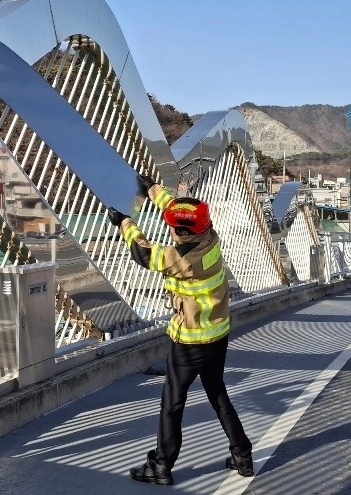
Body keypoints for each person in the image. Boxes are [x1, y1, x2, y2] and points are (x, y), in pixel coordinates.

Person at [106, 174, 253, 484]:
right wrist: (152, 190)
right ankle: (242, 454)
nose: (171, 227)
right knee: (217, 394)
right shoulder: (209, 237)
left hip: (190, 341)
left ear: (181, 233)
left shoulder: (181, 258)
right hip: (218, 332)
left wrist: (124, 222)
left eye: (174, 227)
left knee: (172, 402)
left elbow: (143, 253)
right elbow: (174, 208)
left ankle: (161, 465)